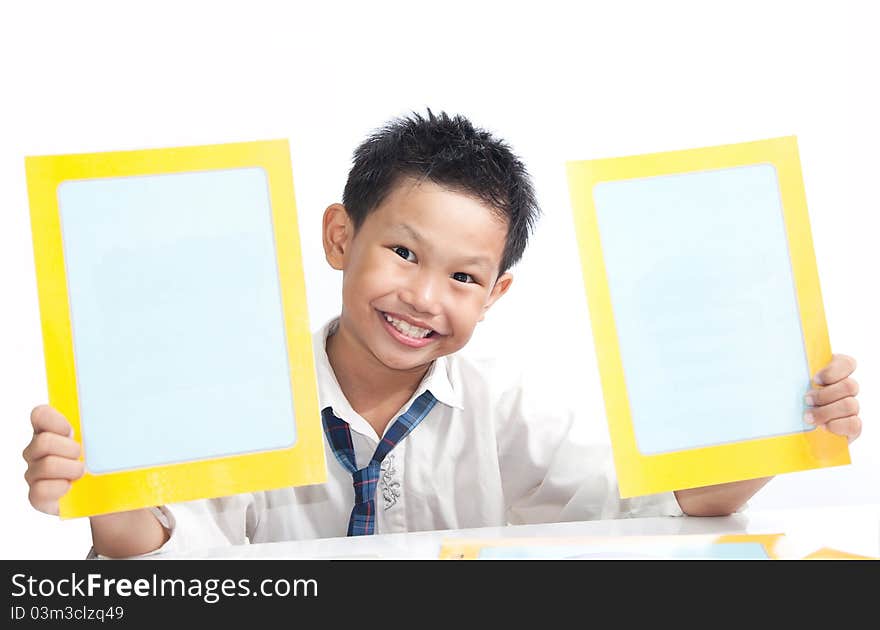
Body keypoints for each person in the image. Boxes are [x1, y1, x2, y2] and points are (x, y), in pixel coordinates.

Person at [23, 111, 863, 558]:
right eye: (401, 252)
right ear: (340, 238)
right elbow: (169, 563)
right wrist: (108, 489)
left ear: (495, 294)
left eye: (463, 277)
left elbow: (655, 512)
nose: (424, 296)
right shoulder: (244, 400)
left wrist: (781, 435)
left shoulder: (508, 410)